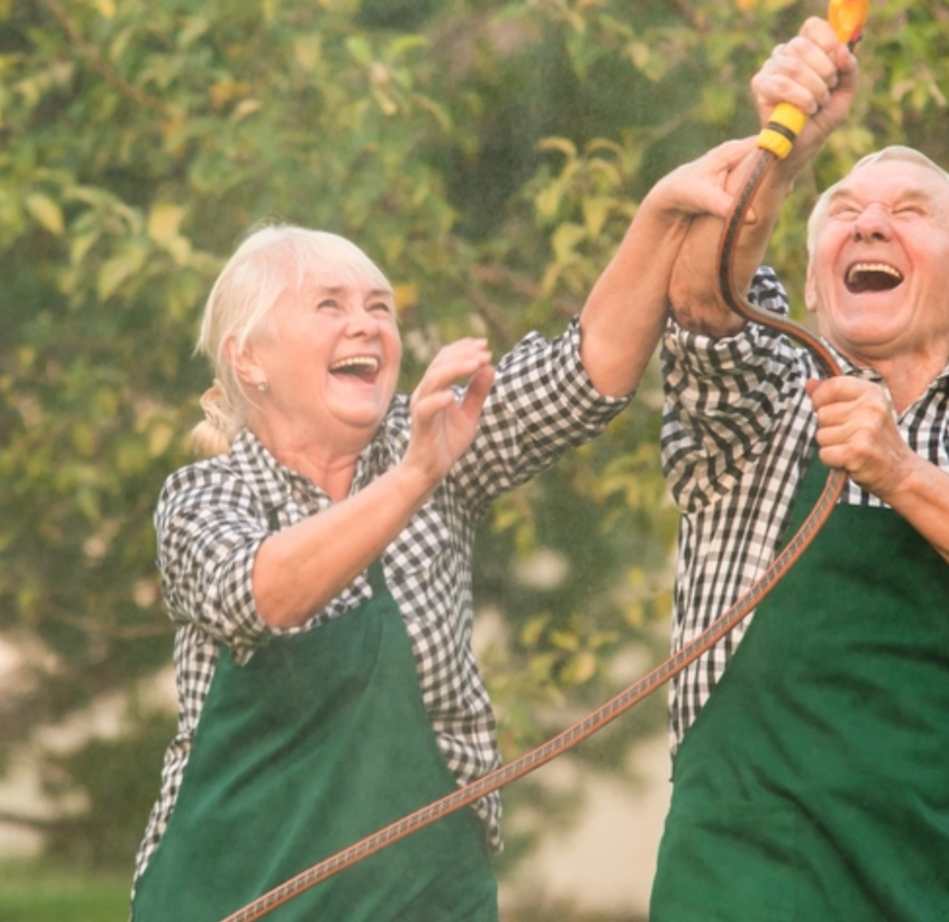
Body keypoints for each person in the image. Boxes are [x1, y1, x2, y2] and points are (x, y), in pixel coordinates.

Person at [130, 144, 755, 921]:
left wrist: (659, 214)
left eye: (380, 307)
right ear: (249, 358)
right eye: (329, 306)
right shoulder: (205, 495)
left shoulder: (431, 435)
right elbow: (265, 593)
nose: (366, 325)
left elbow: (588, 369)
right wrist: (415, 477)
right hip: (233, 900)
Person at [649, 18, 949, 922]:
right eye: (843, 213)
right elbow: (706, 304)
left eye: (908, 213)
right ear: (815, 285)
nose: (869, 221)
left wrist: (900, 473)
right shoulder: (758, 406)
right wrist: (785, 149)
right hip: (751, 887)